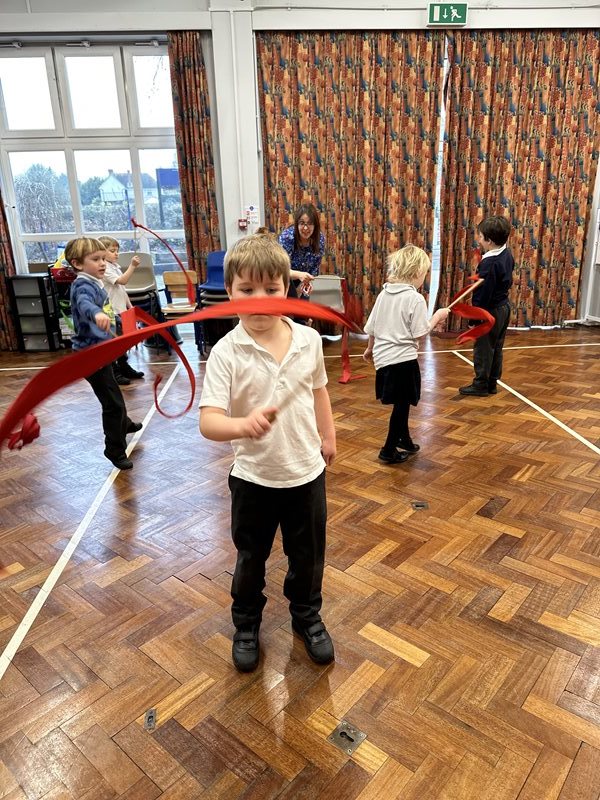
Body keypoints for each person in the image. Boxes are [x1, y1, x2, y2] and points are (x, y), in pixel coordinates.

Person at [199, 234, 336, 672]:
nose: (259, 300)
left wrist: (329, 436)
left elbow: (319, 391)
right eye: (247, 289)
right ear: (229, 292)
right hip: (254, 479)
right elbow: (209, 421)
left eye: (271, 289)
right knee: (250, 559)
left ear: (287, 289)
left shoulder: (308, 341)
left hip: (306, 474)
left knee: (308, 558)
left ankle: (307, 616)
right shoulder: (226, 352)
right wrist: (242, 424)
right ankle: (246, 624)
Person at [363, 245, 449, 465]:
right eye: (425, 274)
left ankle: (405, 440)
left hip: (383, 360)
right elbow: (420, 332)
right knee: (401, 406)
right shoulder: (415, 298)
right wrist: (437, 316)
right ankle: (388, 449)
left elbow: (372, 326)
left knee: (402, 403)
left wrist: (370, 348)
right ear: (417, 272)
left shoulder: (384, 293)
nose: (424, 279)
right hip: (402, 361)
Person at [65, 237, 142, 471]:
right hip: (90, 358)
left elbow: (108, 309)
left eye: (103, 259)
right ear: (78, 264)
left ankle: (125, 424)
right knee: (112, 404)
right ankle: (114, 449)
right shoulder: (83, 285)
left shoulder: (96, 282)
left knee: (113, 395)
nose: (102, 264)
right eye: (96, 259)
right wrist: (96, 313)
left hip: (101, 353)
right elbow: (85, 303)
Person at [459, 216, 514, 397]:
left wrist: (475, 319)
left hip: (489, 312)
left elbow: (482, 295)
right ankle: (492, 383)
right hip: (503, 308)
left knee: (483, 348)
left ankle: (481, 384)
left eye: (481, 236)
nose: (479, 239)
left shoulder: (490, 263)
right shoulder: (506, 254)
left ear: (489, 241)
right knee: (496, 347)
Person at [97, 236, 144, 386]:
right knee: (114, 344)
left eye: (117, 250)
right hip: (111, 312)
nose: (116, 254)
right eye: (112, 251)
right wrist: (133, 266)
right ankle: (115, 372)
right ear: (102, 252)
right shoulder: (105, 268)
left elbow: (121, 289)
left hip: (121, 310)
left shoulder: (114, 266)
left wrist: (130, 306)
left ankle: (124, 366)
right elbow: (123, 281)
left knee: (123, 342)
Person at [278, 203, 325, 298]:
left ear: (315, 225)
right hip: (285, 279)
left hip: (304, 281)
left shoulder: (320, 239)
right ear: (297, 224)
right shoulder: (287, 237)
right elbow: (279, 269)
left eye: (310, 223)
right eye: (302, 223)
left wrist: (303, 284)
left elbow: (314, 269)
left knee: (304, 303)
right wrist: (299, 275)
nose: (306, 228)